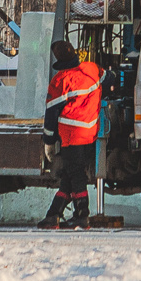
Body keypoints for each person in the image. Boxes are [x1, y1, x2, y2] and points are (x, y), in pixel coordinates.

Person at [41, 40, 103, 229]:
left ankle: (82, 216)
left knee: (76, 176)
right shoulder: (92, 70)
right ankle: (53, 215)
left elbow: (50, 116)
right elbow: (111, 77)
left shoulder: (61, 81)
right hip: (89, 133)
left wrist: (49, 141)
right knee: (69, 176)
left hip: (70, 136)